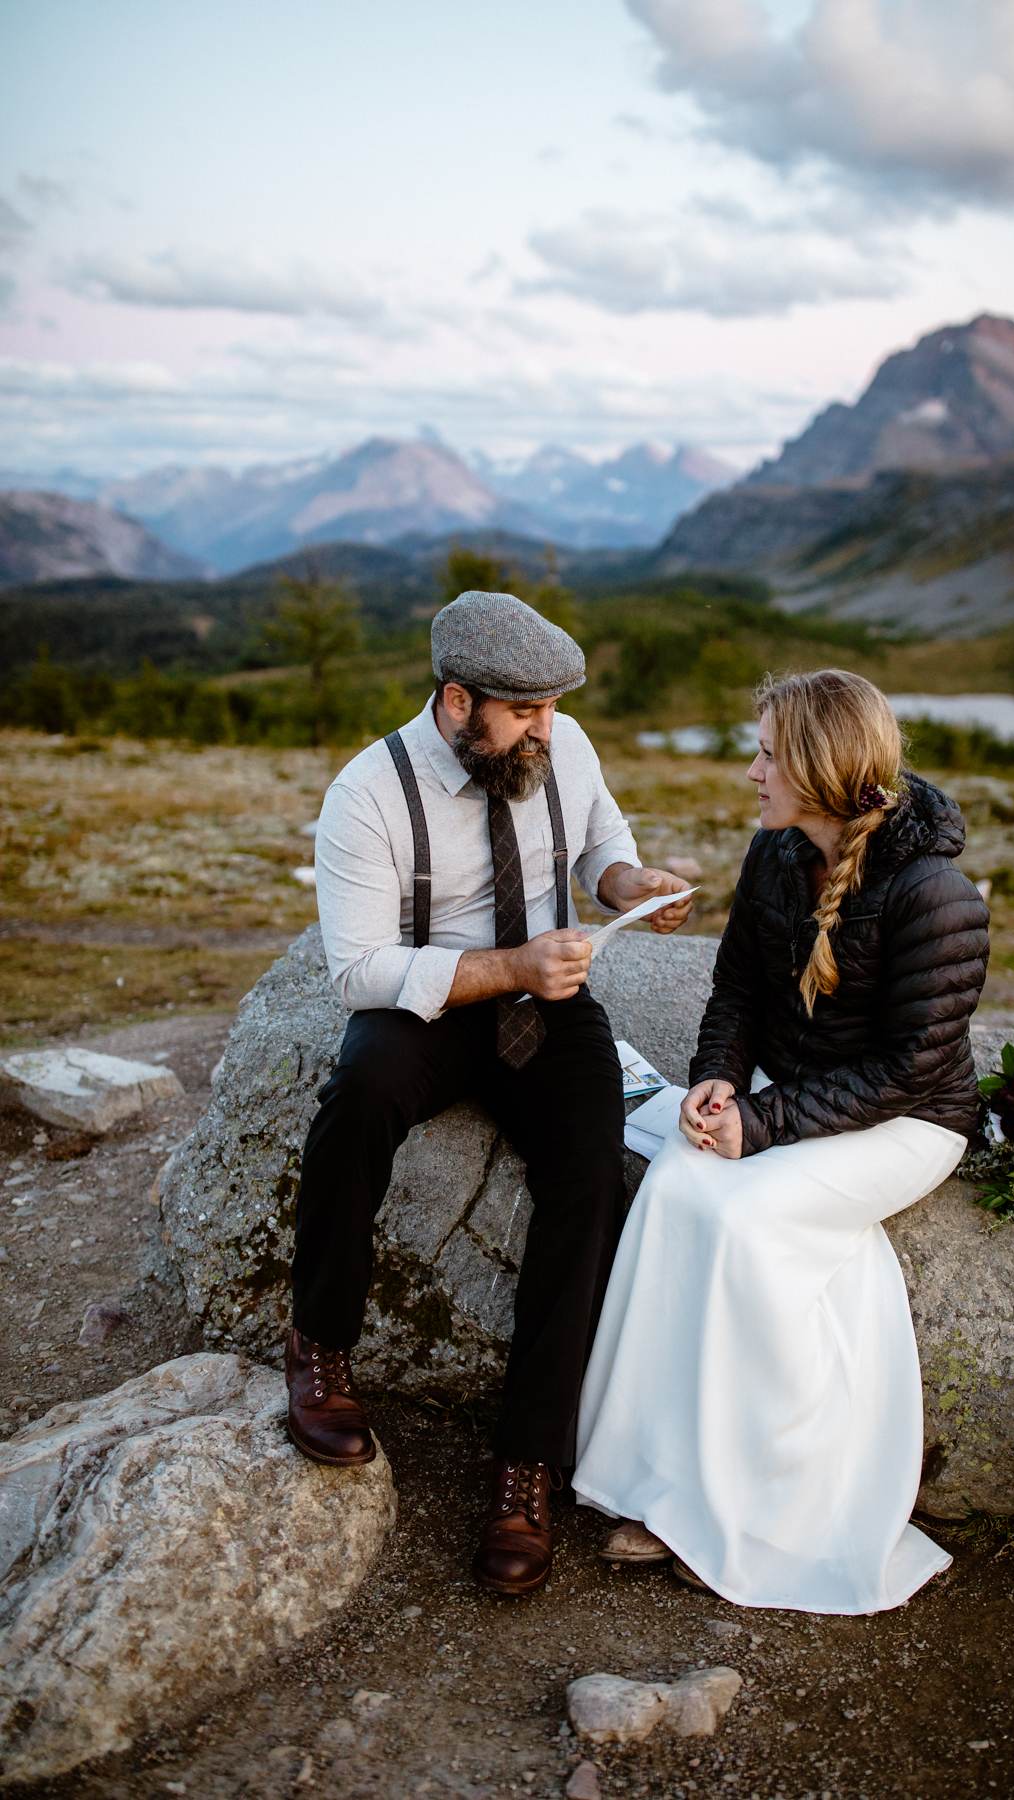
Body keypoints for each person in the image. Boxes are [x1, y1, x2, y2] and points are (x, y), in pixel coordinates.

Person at [286, 589, 693, 1597]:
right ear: (458, 701)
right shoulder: (367, 794)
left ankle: (525, 1465)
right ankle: (321, 1341)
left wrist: (631, 885)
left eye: (555, 706)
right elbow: (359, 974)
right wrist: (508, 966)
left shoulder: (561, 742)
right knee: (357, 1098)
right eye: (526, 711)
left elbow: (598, 847)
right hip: (432, 1000)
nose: (548, 728)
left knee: (593, 1172)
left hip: (548, 1003)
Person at [573, 669, 990, 1613]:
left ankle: (774, 1512)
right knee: (678, 1185)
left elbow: (907, 1072)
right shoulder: (774, 854)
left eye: (767, 753)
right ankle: (660, 1485)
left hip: (909, 1123)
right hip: (797, 1095)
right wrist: (719, 1078)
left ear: (817, 765)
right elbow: (737, 993)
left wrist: (760, 1126)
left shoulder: (938, 897)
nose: (750, 770)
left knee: (751, 1218)